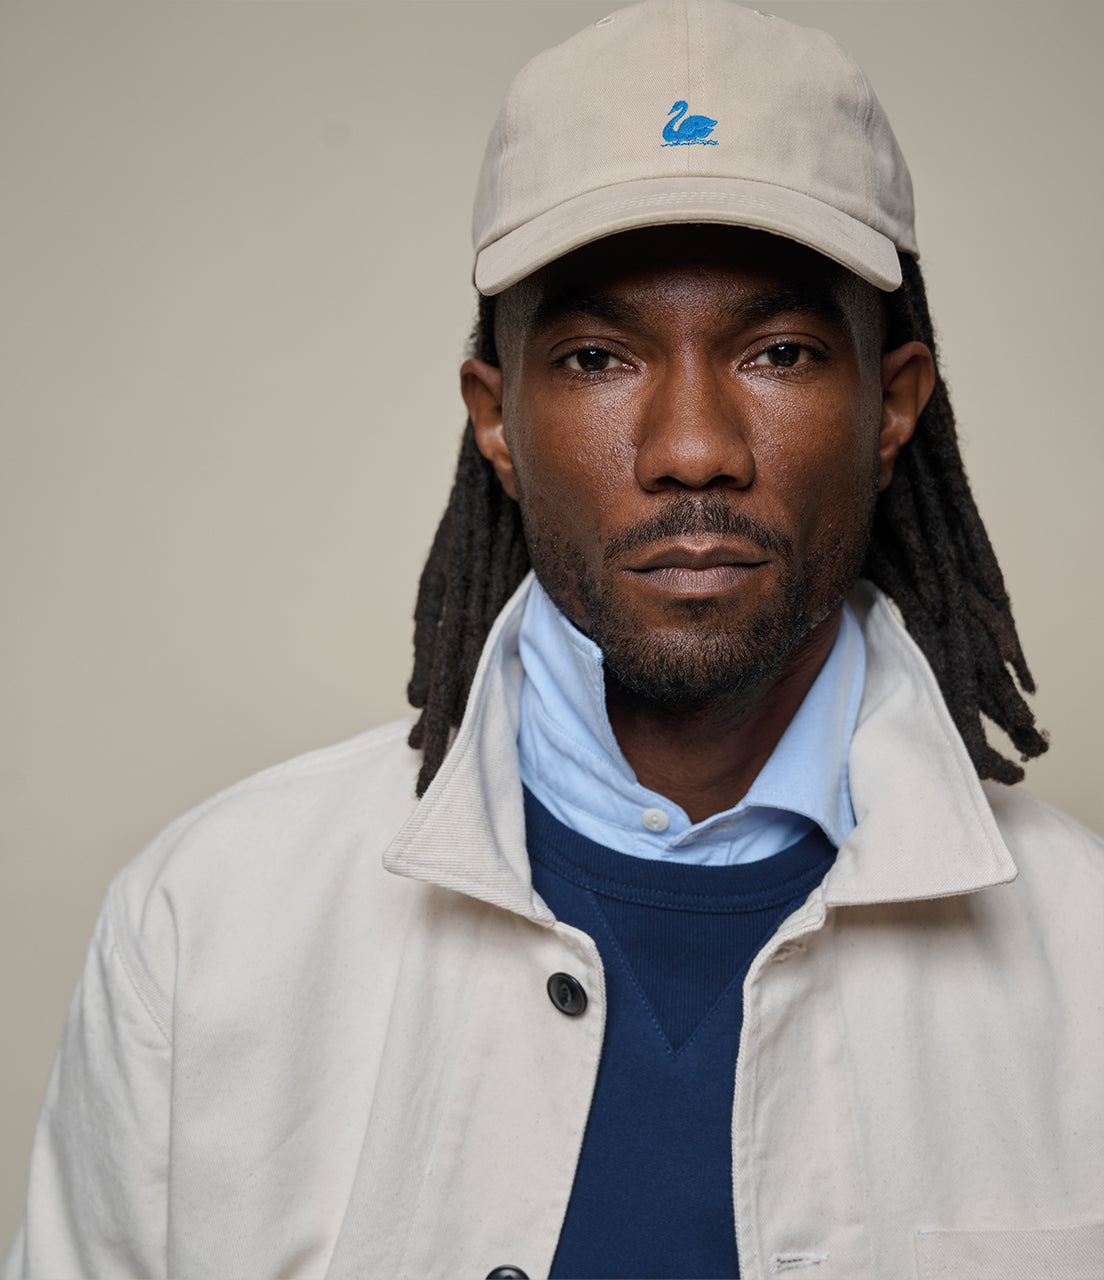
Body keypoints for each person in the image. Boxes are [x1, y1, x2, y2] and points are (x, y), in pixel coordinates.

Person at [4, 2, 1103, 1278]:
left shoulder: (1088, 964)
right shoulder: (209, 933)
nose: (694, 446)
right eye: (595, 356)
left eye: (781, 350)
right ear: (496, 420)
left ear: (893, 404)